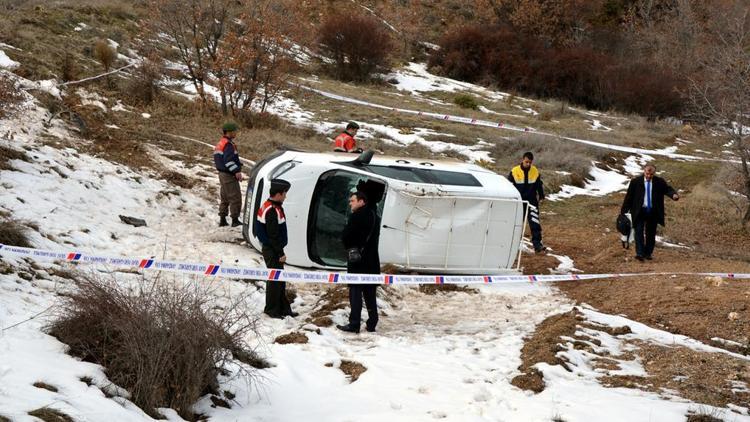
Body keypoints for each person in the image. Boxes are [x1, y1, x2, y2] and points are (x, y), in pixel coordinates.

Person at [337, 191, 380, 334]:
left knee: (355, 292)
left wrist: (347, 244)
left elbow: (347, 235)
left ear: (362, 202)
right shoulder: (375, 216)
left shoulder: (356, 216)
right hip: (372, 260)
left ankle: (354, 323)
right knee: (370, 292)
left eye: (353, 201)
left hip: (358, 260)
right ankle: (372, 322)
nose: (350, 203)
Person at [255, 178, 297, 319]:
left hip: (273, 248)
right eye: (284, 193)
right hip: (272, 250)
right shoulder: (271, 210)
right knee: (275, 281)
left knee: (279, 280)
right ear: (278, 194)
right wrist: (280, 253)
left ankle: (283, 309)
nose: (286, 196)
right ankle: (272, 310)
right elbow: (273, 236)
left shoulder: (272, 205)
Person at [620, 164, 679, 261]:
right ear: (644, 171)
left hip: (653, 211)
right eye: (647, 173)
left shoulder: (659, 182)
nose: (648, 176)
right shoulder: (636, 182)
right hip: (639, 210)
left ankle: (648, 253)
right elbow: (629, 197)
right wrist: (623, 212)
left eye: (651, 174)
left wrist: (673, 195)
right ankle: (640, 253)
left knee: (650, 233)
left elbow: (667, 189)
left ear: (654, 174)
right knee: (638, 231)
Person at [508, 152, 546, 252]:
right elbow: (509, 186)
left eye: (530, 162)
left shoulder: (535, 171)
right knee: (516, 223)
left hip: (532, 201)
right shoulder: (515, 171)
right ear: (523, 159)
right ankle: (510, 244)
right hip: (519, 201)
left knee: (535, 223)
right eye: (526, 162)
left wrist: (541, 196)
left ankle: (537, 245)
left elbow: (538, 185)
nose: (528, 164)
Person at [214, 122, 243, 227]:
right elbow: (228, 161)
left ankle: (222, 220)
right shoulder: (228, 145)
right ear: (229, 132)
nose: (236, 133)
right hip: (228, 174)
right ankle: (235, 220)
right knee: (235, 197)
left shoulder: (221, 142)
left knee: (225, 197)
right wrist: (236, 171)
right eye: (235, 131)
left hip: (222, 174)